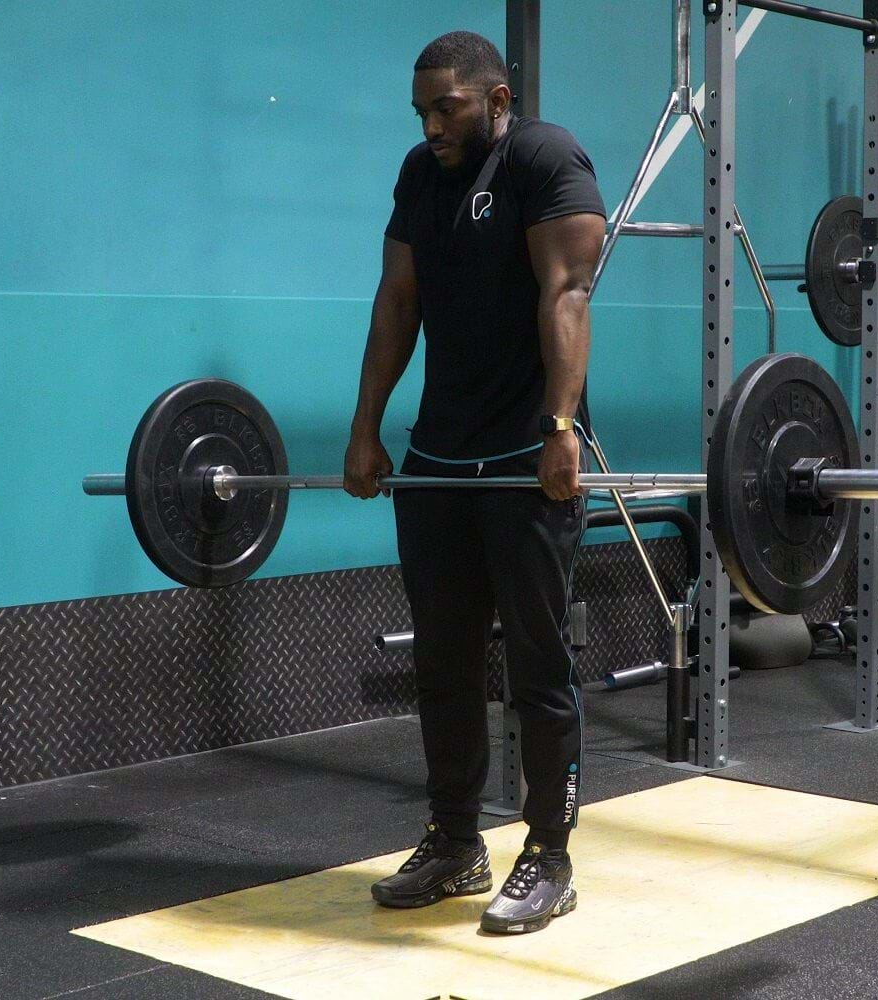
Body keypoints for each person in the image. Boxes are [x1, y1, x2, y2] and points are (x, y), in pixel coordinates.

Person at [343, 29, 606, 935]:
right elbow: (398, 302)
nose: (430, 125)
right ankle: (455, 841)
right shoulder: (422, 175)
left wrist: (559, 428)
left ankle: (551, 855)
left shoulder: (543, 156)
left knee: (538, 667)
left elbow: (567, 290)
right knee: (443, 662)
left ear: (497, 99)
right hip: (441, 459)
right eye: (420, 109)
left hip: (525, 459)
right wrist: (366, 429)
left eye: (445, 107)